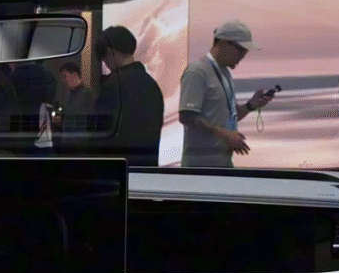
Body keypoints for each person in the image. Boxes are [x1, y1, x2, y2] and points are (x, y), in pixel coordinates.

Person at [179, 20, 275, 168]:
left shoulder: (225, 74)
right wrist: (224, 134)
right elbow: (187, 116)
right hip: (199, 168)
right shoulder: (197, 72)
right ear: (224, 43)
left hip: (222, 164)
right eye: (241, 49)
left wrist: (250, 105)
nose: (244, 55)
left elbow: (229, 118)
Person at [91, 26, 164, 166]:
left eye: (104, 59)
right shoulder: (152, 85)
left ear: (110, 52)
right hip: (146, 169)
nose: (106, 65)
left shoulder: (113, 87)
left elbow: (99, 136)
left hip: (117, 170)